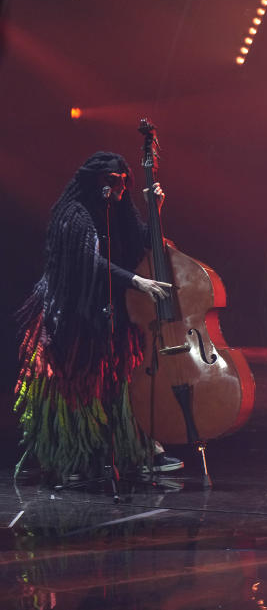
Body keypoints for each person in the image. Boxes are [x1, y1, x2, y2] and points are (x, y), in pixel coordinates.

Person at [14, 152, 182, 485]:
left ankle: (136, 450)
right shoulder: (73, 214)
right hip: (73, 316)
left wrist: (155, 209)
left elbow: (144, 242)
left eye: (124, 182)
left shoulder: (119, 209)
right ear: (99, 182)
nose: (121, 188)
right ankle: (75, 457)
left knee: (121, 382)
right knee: (77, 386)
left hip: (112, 310)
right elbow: (87, 262)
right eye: (115, 181)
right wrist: (136, 281)